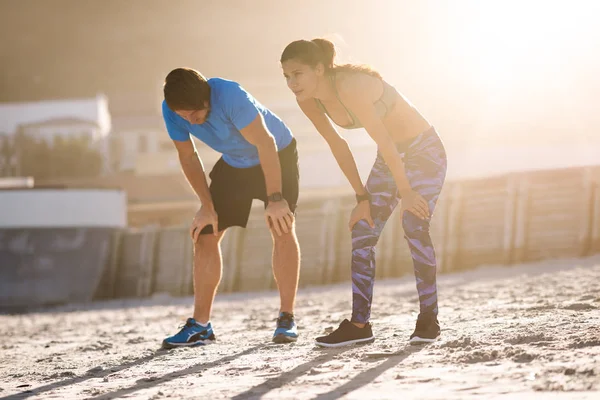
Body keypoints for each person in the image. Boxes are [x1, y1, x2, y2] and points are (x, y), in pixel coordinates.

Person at [280, 39, 447, 347]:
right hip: (391, 157)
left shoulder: (351, 87)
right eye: (287, 76)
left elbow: (383, 139)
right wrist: (362, 199)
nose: (292, 83)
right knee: (362, 228)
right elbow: (338, 145)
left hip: (424, 150)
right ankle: (359, 325)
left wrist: (407, 192)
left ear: (319, 69)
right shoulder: (309, 101)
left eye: (298, 74)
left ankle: (428, 319)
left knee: (413, 223)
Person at [160, 68, 301, 348]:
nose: (189, 120)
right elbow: (188, 156)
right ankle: (201, 326)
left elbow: (265, 142)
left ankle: (287, 318)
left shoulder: (230, 96)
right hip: (235, 162)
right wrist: (206, 206)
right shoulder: (172, 110)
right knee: (205, 232)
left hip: (276, 154)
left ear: (206, 98)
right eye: (183, 116)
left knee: (281, 224)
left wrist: (275, 198)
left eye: (194, 114)